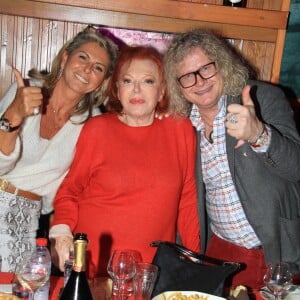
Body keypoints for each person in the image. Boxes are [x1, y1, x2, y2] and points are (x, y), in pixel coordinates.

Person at [163, 28, 300, 291]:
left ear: (222, 64)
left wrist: (259, 134)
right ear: (177, 85)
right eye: (187, 77)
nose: (200, 81)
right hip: (220, 251)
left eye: (206, 68)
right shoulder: (183, 127)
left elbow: (296, 167)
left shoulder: (262, 98)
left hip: (276, 249)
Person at [49, 45, 200, 278]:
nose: (137, 90)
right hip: (93, 265)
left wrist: (195, 262)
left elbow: (188, 201)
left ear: (161, 91)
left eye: (148, 81)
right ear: (117, 90)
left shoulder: (179, 129)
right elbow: (71, 188)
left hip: (151, 271)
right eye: (128, 81)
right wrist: (61, 232)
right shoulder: (97, 129)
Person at [0, 26, 118, 272]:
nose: (87, 69)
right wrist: (13, 114)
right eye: (83, 57)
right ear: (65, 58)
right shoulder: (27, 91)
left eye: (98, 68)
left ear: (103, 82)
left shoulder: (93, 123)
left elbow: (73, 187)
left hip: (25, 219)